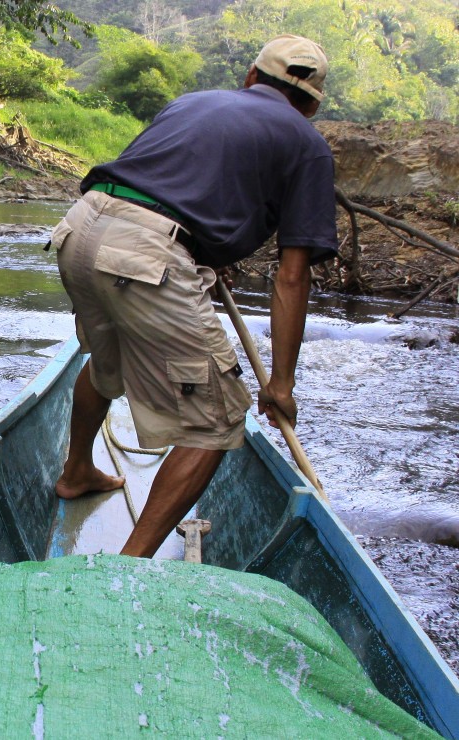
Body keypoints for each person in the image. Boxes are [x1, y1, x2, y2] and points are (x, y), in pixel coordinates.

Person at [50, 34, 338, 558]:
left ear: (251, 77)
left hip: (81, 227)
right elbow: (292, 277)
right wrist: (281, 383)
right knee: (218, 422)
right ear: (312, 106)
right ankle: (129, 565)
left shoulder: (194, 102)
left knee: (107, 363)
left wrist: (195, 253)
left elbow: (161, 184)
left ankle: (76, 473)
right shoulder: (307, 144)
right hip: (144, 253)